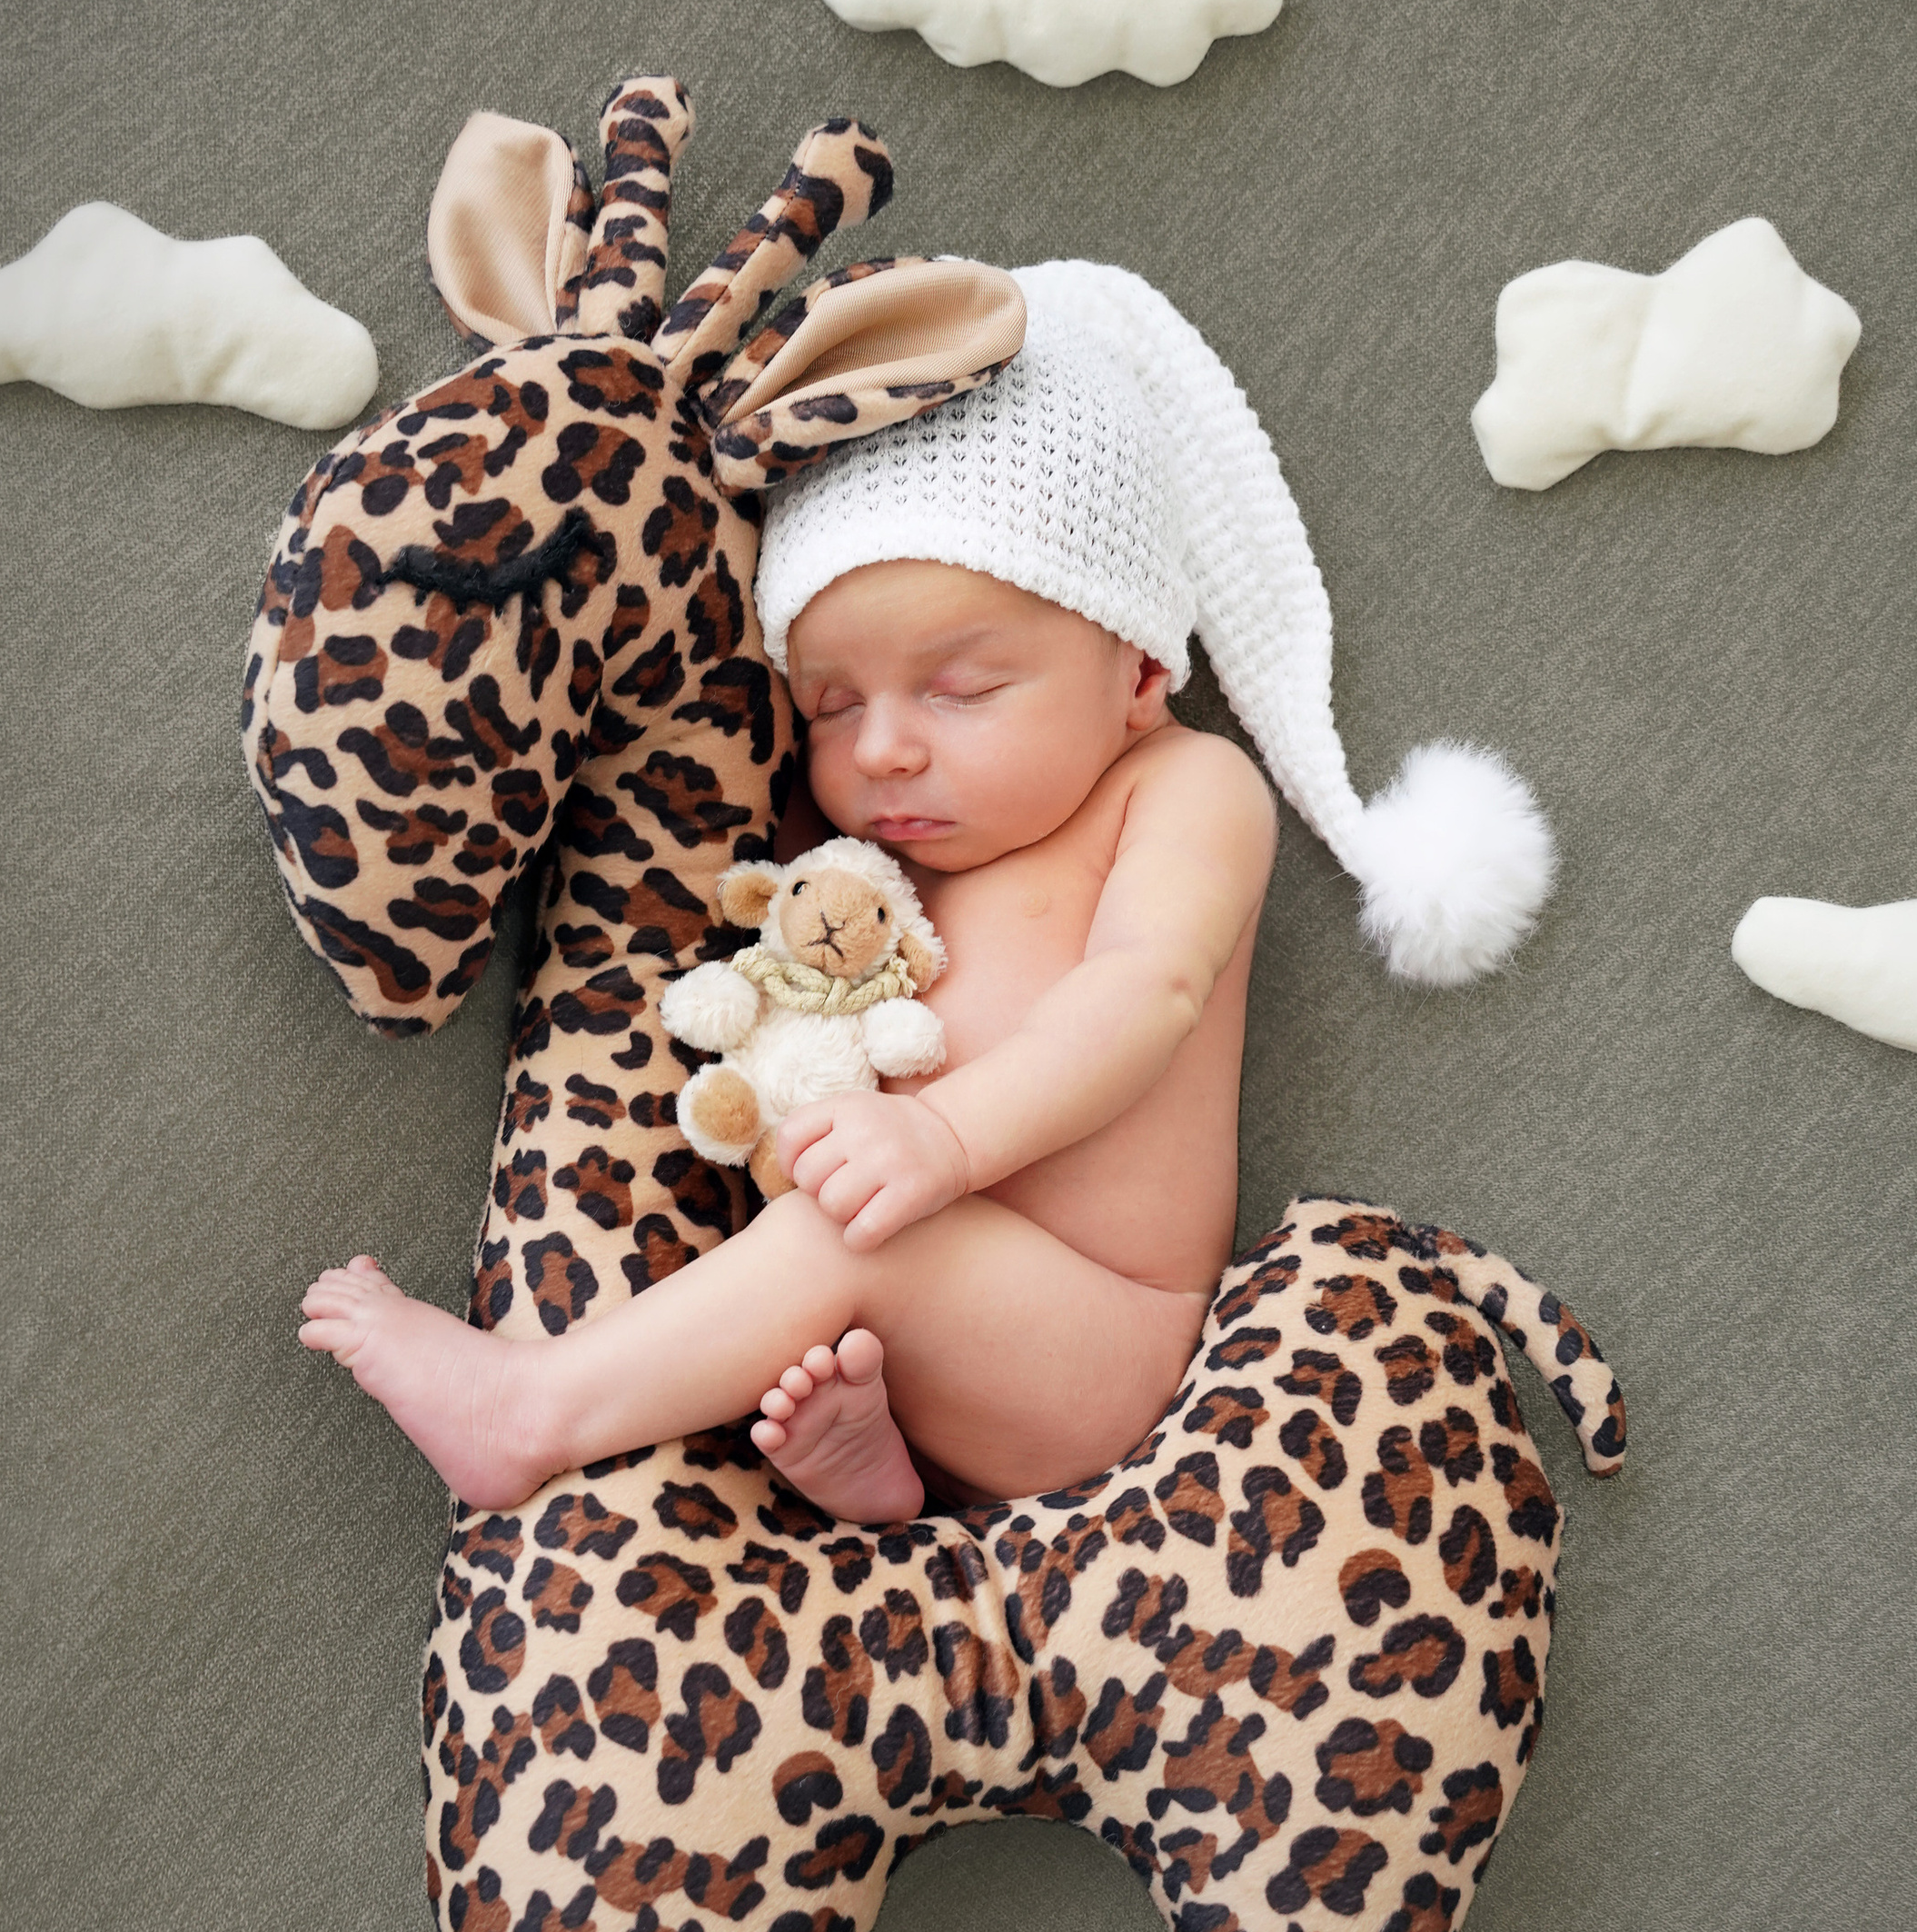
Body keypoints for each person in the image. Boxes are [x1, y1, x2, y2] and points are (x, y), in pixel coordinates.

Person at [297, 261, 1559, 1525]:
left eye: (959, 689)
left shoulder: (1181, 786)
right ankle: (877, 1480)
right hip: (924, 1336)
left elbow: (1148, 990)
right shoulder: (859, 851)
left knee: (853, 1231)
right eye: (834, 702)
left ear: (1135, 666)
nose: (884, 747)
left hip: (1096, 1349)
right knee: (836, 1261)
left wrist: (949, 1140)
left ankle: (533, 1414)